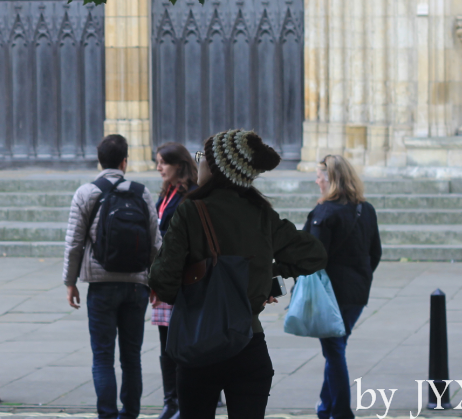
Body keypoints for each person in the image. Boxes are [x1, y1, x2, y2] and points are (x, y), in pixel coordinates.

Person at [149, 129, 327, 419]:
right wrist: (266, 275)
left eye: (202, 158)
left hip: (197, 347)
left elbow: (162, 281)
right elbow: (314, 254)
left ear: (218, 167)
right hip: (249, 345)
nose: (199, 163)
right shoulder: (260, 213)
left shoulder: (190, 212)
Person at [63, 134, 162, 419]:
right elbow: (156, 243)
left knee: (103, 358)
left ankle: (107, 415)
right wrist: (154, 282)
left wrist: (70, 283)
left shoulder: (86, 193)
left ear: (99, 161)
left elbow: (74, 243)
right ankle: (130, 414)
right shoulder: (142, 192)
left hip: (101, 285)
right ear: (124, 161)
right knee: (132, 359)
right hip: (136, 287)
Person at [306, 154, 382, 419]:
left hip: (330, 295)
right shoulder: (366, 209)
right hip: (357, 293)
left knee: (334, 351)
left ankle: (340, 412)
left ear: (332, 181)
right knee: (336, 348)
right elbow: (376, 253)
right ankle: (326, 407)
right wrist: (361, 277)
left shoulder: (325, 213)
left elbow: (313, 256)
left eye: (319, 177)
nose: (316, 182)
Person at [151, 142, 198, 419]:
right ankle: (171, 401)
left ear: (178, 165)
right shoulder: (166, 194)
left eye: (162, 163)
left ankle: (187, 400)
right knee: (166, 344)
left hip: (183, 282)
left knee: (185, 345)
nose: (158, 167)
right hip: (164, 279)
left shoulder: (190, 196)